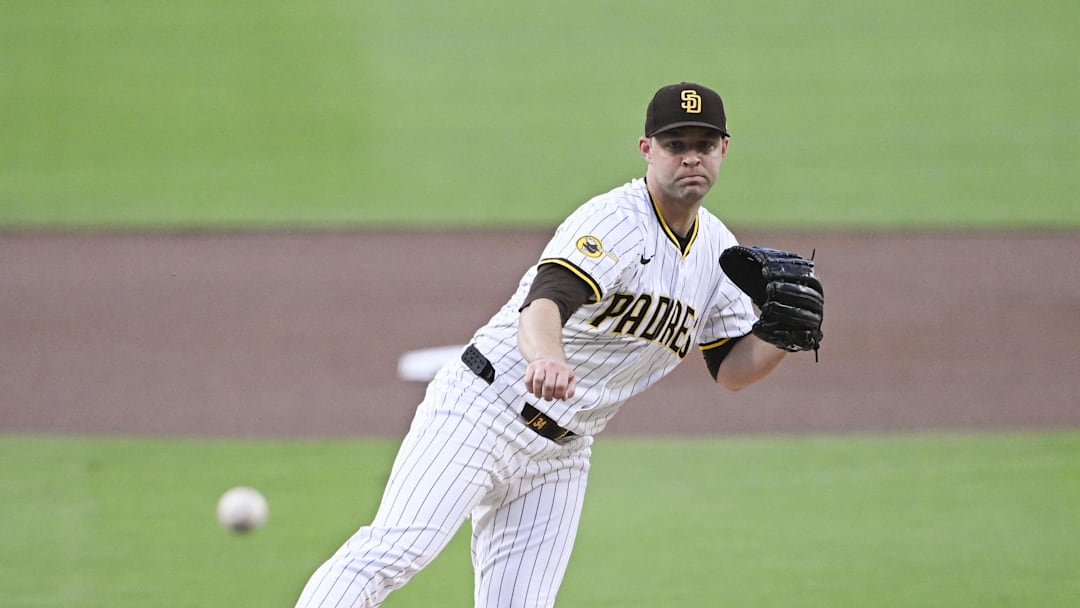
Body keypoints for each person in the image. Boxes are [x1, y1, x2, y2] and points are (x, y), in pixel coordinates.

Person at [295, 82, 818, 607]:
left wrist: (778, 337)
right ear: (647, 150)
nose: (690, 158)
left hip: (562, 454)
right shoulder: (615, 223)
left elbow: (730, 369)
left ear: (723, 150)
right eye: (675, 144)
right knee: (394, 552)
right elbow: (544, 301)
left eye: (703, 145)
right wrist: (547, 356)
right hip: (483, 411)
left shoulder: (718, 252)